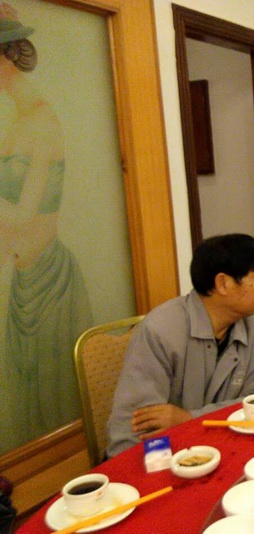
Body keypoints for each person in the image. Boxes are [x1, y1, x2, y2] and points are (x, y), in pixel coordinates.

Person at [0, 3, 93, 451]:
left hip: (51, 281)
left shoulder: (41, 121)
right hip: (24, 278)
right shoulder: (16, 121)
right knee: (26, 396)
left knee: (54, 397)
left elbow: (24, 213)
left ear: (5, 56)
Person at [106, 234, 254, 457]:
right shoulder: (161, 331)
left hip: (226, 450)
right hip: (166, 456)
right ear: (223, 283)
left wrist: (189, 419)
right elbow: (133, 430)